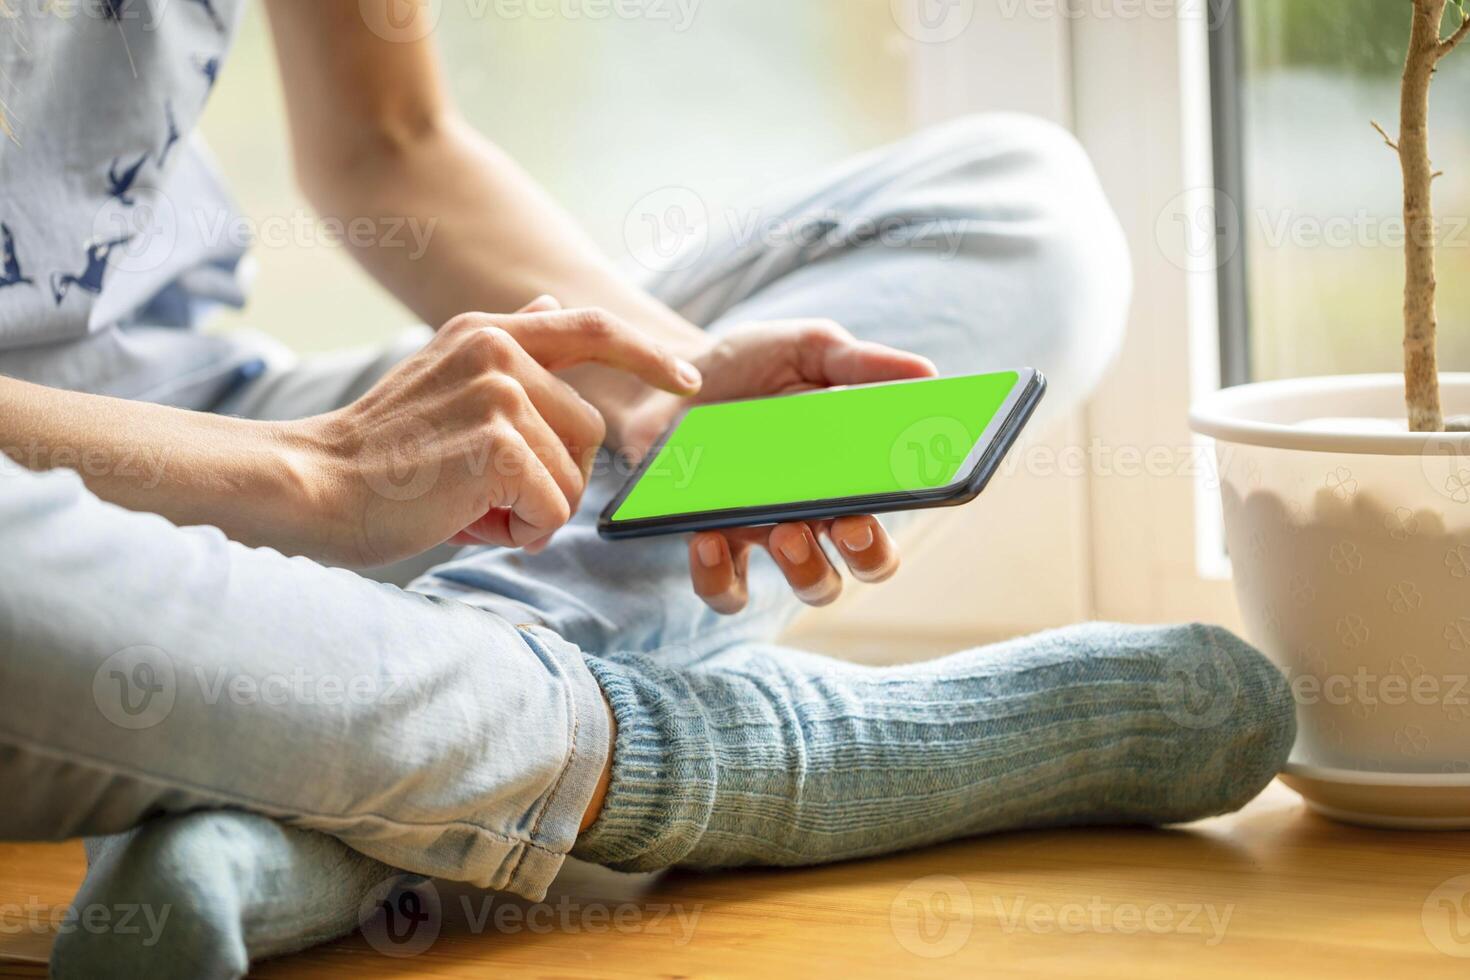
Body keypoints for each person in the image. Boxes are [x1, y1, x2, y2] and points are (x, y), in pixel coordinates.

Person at [0, 1, 1295, 975]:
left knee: (1013, 201)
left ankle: (378, 759)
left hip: (204, 413)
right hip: (50, 537)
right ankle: (715, 761)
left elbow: (391, 141)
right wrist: (317, 473)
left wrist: (656, 384)